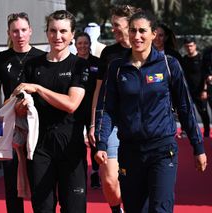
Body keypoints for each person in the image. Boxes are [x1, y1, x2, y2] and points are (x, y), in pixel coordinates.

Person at [95, 10, 207, 212]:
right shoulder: (117, 68)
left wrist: (197, 146)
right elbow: (106, 108)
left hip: (162, 150)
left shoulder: (168, 64)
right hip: (130, 151)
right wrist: (101, 142)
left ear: (154, 34)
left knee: (160, 208)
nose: (137, 36)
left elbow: (185, 107)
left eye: (142, 31)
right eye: (132, 31)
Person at [13, 10, 89, 213]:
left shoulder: (80, 65)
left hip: (71, 147)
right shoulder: (32, 66)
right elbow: (18, 106)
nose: (58, 36)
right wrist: (19, 108)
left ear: (73, 35)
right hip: (40, 147)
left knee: (74, 209)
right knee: (42, 208)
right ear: (46, 33)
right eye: (53, 31)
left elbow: (71, 104)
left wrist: (38, 88)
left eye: (63, 31)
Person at [0, 12, 44, 213]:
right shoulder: (0, 59)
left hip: (36, 129)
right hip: (10, 128)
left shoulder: (41, 58)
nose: (20, 35)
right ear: (9, 33)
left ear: (30, 31)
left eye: (24, 30)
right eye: (15, 31)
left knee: (39, 181)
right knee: (11, 182)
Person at [88, 5, 141, 213]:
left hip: (139, 124)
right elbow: (98, 91)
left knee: (137, 179)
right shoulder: (109, 53)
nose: (113, 30)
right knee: (109, 179)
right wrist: (94, 123)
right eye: (113, 26)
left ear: (130, 25)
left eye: (117, 26)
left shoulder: (144, 50)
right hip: (111, 123)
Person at [75, 32, 101, 189]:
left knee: (94, 143)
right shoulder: (71, 63)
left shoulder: (97, 63)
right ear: (75, 45)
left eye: (85, 43)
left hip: (93, 109)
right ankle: (80, 173)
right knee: (77, 144)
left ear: (90, 44)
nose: (83, 46)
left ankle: (95, 173)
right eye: (80, 43)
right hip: (76, 110)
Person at [182, 36, 210, 137]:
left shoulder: (201, 58)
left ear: (195, 45)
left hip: (200, 90)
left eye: (191, 46)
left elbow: (205, 75)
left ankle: (206, 132)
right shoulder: (184, 59)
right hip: (188, 91)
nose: (189, 48)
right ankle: (186, 131)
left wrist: (205, 90)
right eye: (187, 46)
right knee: (186, 112)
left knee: (203, 112)